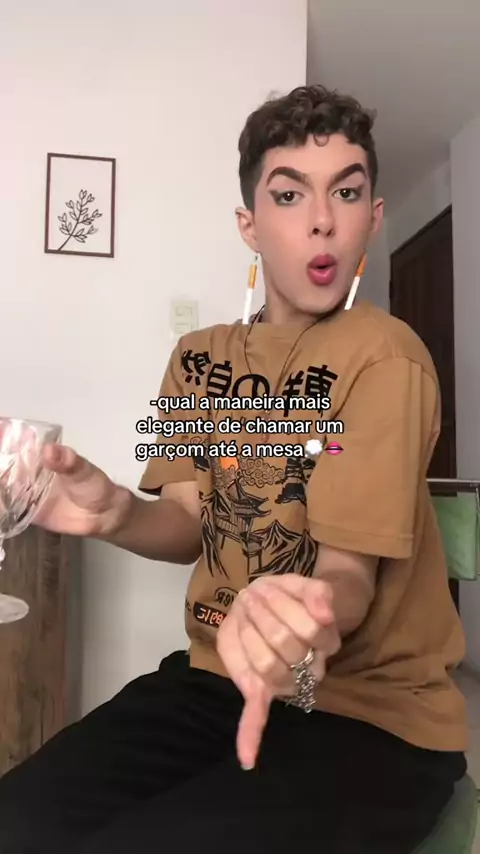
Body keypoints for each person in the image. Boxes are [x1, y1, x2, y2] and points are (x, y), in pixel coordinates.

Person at [0, 85, 468, 854]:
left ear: (373, 217)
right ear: (249, 224)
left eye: (347, 192)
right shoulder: (198, 358)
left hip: (370, 721)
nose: (322, 219)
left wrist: (307, 608)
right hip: (211, 685)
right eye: (290, 194)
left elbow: (348, 576)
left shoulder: (385, 356)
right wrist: (116, 512)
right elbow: (188, 523)